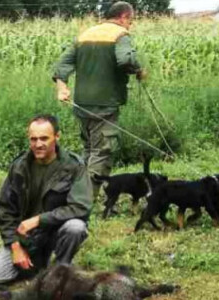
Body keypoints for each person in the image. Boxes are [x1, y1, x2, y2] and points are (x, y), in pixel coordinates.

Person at [0, 115, 92, 287]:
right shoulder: (19, 166)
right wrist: (15, 246)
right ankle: (38, 265)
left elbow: (80, 207)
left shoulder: (74, 166)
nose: (38, 144)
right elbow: (5, 209)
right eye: (33, 139)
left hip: (56, 231)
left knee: (75, 227)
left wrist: (39, 220)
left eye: (44, 138)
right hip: (27, 238)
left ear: (57, 136)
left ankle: (60, 272)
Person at [53, 1, 145, 199]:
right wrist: (139, 70)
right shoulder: (120, 35)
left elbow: (62, 64)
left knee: (89, 150)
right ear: (123, 17)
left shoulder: (85, 35)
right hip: (105, 104)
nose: (131, 25)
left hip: (81, 104)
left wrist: (62, 87)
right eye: (131, 21)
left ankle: (77, 191)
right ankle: (86, 199)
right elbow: (126, 60)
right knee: (102, 152)